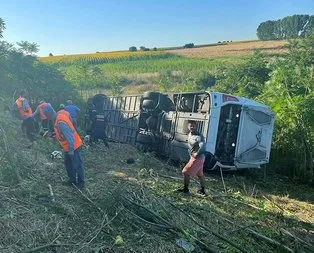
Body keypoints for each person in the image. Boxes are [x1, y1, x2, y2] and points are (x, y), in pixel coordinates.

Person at [52, 108, 85, 188]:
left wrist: (71, 150)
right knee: (68, 164)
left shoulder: (61, 123)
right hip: (68, 147)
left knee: (77, 165)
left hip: (73, 146)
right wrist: (51, 134)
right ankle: (72, 180)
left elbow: (70, 138)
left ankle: (81, 183)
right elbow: (61, 133)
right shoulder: (59, 118)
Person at [177, 120, 206, 195]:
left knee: (185, 172)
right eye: (190, 126)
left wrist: (197, 153)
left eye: (193, 125)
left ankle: (186, 189)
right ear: (188, 126)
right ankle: (202, 190)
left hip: (198, 158)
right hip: (193, 157)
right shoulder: (190, 134)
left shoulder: (199, 136)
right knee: (200, 174)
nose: (192, 127)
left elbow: (203, 146)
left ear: (196, 126)